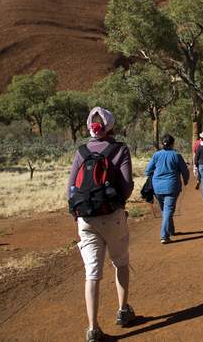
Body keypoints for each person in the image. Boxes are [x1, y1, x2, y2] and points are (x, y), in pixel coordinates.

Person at [66, 107, 135, 342]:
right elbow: (126, 186)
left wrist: (79, 215)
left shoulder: (81, 151)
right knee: (121, 262)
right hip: (112, 216)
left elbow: (70, 190)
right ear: (110, 126)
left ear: (90, 127)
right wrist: (116, 204)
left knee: (92, 273)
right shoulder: (120, 149)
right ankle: (123, 311)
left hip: (85, 218)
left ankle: (93, 328)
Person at [145, 134, 189, 244]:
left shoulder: (156, 155)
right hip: (172, 186)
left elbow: (148, 171)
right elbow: (184, 171)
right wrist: (186, 180)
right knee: (168, 210)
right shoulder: (176, 155)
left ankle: (171, 230)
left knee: (166, 210)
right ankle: (164, 235)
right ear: (173, 143)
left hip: (157, 187)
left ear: (162, 143)